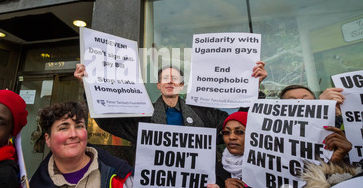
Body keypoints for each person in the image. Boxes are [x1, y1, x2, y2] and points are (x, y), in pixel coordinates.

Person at [73, 62, 267, 143]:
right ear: (159, 85)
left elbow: (237, 123)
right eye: (165, 78)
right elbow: (107, 121)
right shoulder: (143, 115)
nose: (170, 82)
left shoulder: (204, 114)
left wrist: (253, 88)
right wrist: (89, 87)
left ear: (181, 86)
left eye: (175, 79)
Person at [16, 102, 134, 188]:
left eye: (79, 126)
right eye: (63, 128)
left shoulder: (126, 181)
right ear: (48, 139)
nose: (73, 134)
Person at [214, 111, 297, 188]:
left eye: (239, 132)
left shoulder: (276, 169)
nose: (232, 137)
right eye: (226, 132)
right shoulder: (216, 170)